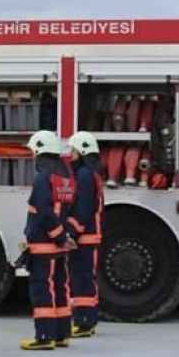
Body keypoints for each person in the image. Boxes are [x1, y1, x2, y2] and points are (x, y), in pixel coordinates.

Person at [20, 130, 77, 351]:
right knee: (60, 288)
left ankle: (44, 337)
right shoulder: (67, 178)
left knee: (42, 290)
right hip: (59, 246)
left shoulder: (43, 178)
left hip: (44, 244)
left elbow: (43, 212)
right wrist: (64, 237)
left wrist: (59, 237)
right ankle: (62, 334)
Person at [67, 131, 104, 338]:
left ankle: (84, 321)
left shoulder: (84, 175)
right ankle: (86, 320)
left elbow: (83, 207)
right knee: (84, 278)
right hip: (89, 234)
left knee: (82, 279)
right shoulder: (90, 173)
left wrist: (72, 230)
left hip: (85, 235)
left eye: (73, 150)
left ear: (81, 151)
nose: (70, 154)